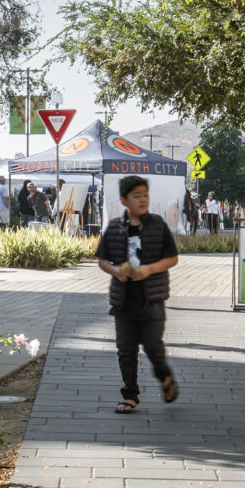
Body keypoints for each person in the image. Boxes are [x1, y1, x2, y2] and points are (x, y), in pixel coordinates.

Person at [98, 177, 181, 414]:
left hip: (151, 300)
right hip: (123, 301)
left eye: (145, 194)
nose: (143, 199)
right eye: (137, 195)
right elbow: (102, 260)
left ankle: (166, 378)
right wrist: (115, 270)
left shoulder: (157, 225)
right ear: (125, 200)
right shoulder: (114, 228)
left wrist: (148, 269)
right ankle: (130, 395)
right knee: (125, 350)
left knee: (153, 347)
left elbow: (173, 257)